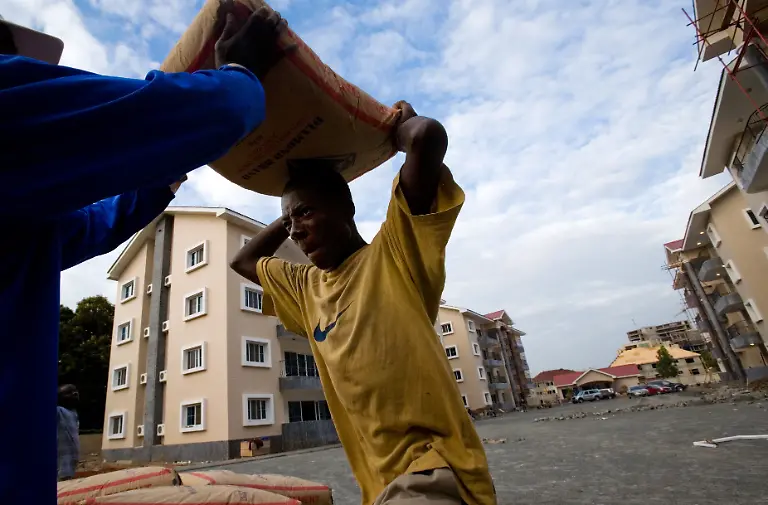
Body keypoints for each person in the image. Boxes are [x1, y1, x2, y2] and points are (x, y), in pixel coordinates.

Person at [0, 4, 288, 502]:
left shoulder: (23, 225)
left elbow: (93, 224)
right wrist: (240, 73)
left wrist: (164, 171)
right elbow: (210, 111)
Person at [231, 102, 497, 505]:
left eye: (306, 213)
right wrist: (288, 201)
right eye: (290, 226)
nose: (297, 233)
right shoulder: (306, 288)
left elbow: (427, 139)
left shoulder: (396, 253)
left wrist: (398, 127)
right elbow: (242, 261)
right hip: (379, 486)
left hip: (432, 471)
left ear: (346, 207)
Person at [57, 385, 81, 482]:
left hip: (71, 460)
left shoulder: (74, 414)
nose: (75, 395)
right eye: (69, 393)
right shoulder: (58, 411)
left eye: (75, 392)